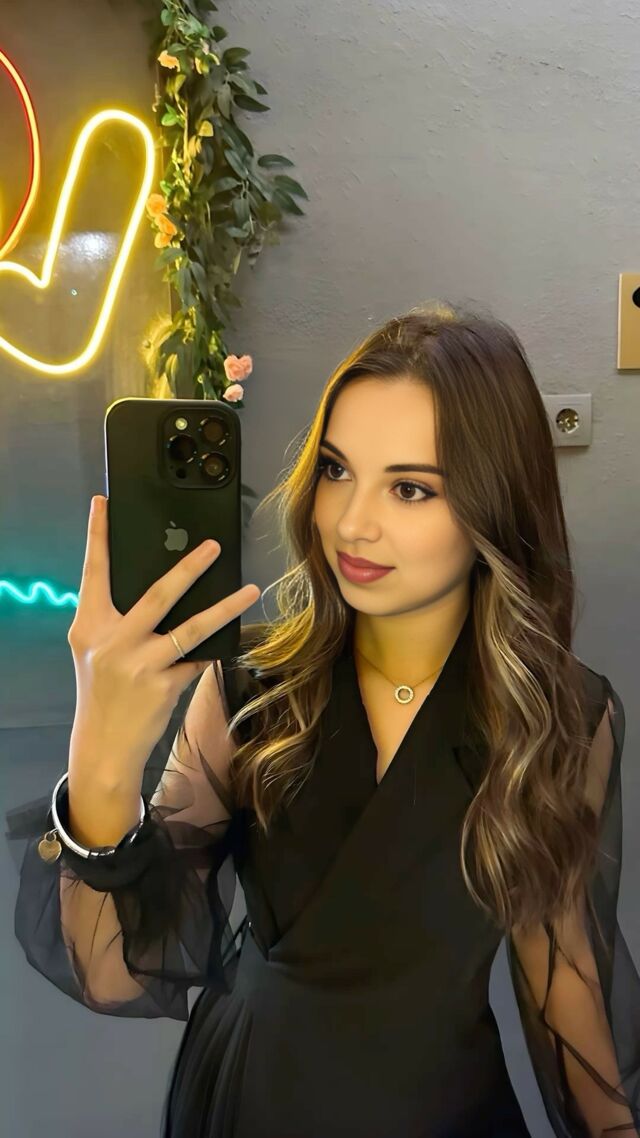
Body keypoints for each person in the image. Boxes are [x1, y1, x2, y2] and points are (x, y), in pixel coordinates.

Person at [6, 301, 639, 1138]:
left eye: (409, 488)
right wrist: (102, 753)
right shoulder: (252, 685)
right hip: (252, 1097)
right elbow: (117, 973)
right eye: (337, 470)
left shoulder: (562, 717)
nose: (351, 522)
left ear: (496, 504)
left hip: (443, 1108)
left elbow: (564, 976)